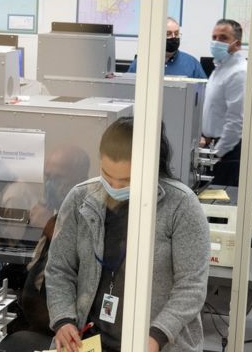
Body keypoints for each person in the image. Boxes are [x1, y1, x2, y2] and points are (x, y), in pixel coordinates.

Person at [45, 117, 209, 352]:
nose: (114, 187)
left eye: (126, 181)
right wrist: (63, 319)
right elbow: (59, 268)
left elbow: (191, 287)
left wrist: (157, 335)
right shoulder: (80, 199)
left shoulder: (181, 206)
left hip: (157, 343)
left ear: (151, 168)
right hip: (89, 340)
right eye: (107, 175)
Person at [201, 19, 246, 186]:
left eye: (223, 38)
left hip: (226, 153)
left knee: (221, 204)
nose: (216, 42)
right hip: (212, 147)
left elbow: (235, 121)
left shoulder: (238, 72)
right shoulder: (220, 68)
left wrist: (218, 153)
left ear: (237, 44)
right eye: (214, 37)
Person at [127, 17, 207, 79]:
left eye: (176, 33)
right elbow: (127, 88)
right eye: (168, 34)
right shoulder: (142, 62)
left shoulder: (192, 63)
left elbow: (204, 92)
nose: (173, 37)